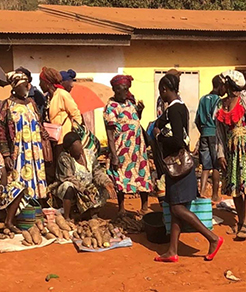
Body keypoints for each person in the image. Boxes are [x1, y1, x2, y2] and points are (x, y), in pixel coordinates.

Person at [153, 74, 222, 262]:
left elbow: (177, 140)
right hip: (181, 165)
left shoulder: (174, 110)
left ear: (166, 89)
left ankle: (213, 237)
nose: (161, 95)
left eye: (162, 91)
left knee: (177, 208)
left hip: (178, 166)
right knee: (176, 207)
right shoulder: (179, 108)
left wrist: (159, 137)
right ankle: (172, 250)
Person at [104, 75, 152, 216]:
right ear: (115, 89)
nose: (125, 92)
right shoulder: (111, 107)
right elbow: (110, 134)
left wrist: (140, 111)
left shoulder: (129, 103)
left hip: (137, 149)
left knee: (142, 176)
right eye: (122, 90)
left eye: (126, 89)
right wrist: (114, 155)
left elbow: (134, 120)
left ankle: (144, 206)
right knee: (121, 178)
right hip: (122, 149)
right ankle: (122, 208)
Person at [0, 71, 47, 201]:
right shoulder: (6, 105)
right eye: (24, 85)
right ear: (15, 87)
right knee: (18, 178)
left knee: (36, 178)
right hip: (18, 151)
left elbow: (38, 123)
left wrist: (43, 132)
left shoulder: (32, 103)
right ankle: (20, 208)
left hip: (35, 150)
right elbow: (1, 131)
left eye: (28, 85)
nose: (27, 88)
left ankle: (36, 206)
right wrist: (6, 155)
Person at [55, 132, 117, 220]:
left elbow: (97, 172)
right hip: (76, 188)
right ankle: (67, 216)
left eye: (80, 146)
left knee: (104, 188)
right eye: (76, 148)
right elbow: (69, 178)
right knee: (67, 186)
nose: (80, 150)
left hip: (89, 187)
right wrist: (84, 190)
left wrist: (107, 183)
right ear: (69, 150)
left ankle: (92, 212)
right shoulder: (64, 158)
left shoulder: (89, 154)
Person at [216, 70, 246, 239]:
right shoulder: (221, 105)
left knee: (245, 187)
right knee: (234, 188)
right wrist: (220, 154)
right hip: (230, 151)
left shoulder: (244, 100)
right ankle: (241, 221)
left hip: (244, 150)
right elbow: (219, 133)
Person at [39, 67, 82, 163]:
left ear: (47, 82)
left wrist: (73, 137)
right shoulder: (49, 98)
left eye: (41, 81)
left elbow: (76, 114)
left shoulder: (62, 94)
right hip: (53, 140)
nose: (39, 85)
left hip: (64, 141)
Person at [195, 75, 226, 202]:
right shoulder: (218, 100)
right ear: (219, 86)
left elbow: (197, 119)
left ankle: (201, 192)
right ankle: (215, 195)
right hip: (214, 134)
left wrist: (203, 131)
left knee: (205, 167)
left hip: (204, 134)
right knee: (216, 166)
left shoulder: (203, 99)